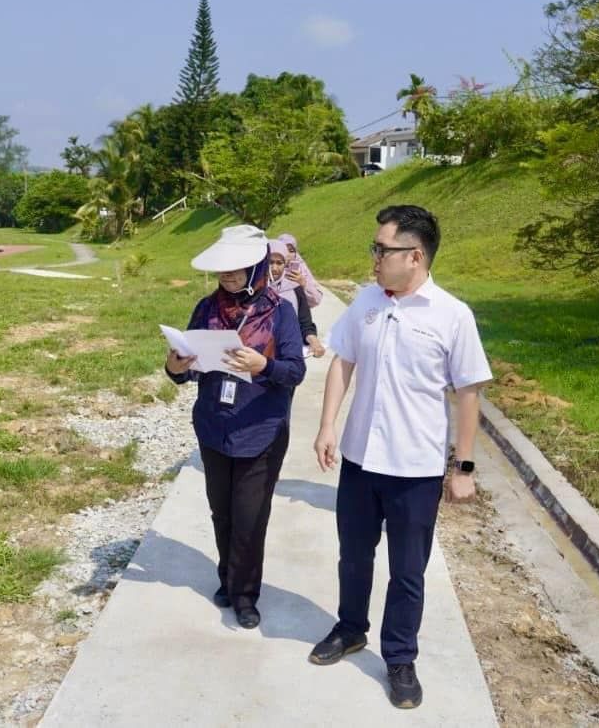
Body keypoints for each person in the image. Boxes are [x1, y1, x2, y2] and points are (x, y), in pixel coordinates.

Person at [308, 205, 492, 710]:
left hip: (415, 469)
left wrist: (464, 468)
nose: (373, 258)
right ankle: (350, 629)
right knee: (353, 554)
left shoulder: (452, 316)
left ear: (414, 256)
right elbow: (343, 362)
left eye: (381, 250)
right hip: (360, 460)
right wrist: (327, 426)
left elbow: (469, 394)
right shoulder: (367, 301)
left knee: (408, 570)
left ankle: (400, 658)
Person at [165, 225, 307, 629]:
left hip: (261, 429)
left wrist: (263, 365)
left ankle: (246, 595)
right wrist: (177, 366)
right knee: (221, 512)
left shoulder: (280, 311)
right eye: (222, 270)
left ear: (257, 265)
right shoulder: (207, 308)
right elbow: (184, 368)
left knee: (249, 516)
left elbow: (295, 371)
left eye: (236, 268)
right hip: (214, 426)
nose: (227, 277)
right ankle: (228, 579)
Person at [267, 239, 326, 359]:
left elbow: (305, 324)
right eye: (270, 262)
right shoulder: (254, 289)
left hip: (289, 354)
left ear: (286, 264)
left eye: (279, 263)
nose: (274, 268)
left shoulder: (295, 288)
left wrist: (314, 342)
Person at [276, 232, 323, 308]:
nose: (288, 254)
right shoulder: (271, 268)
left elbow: (316, 300)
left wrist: (303, 283)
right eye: (284, 249)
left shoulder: (301, 269)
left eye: (291, 251)